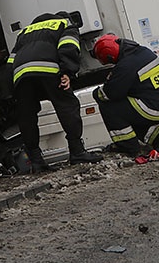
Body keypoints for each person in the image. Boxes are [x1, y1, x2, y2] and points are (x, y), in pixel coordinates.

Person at [8, 12, 103, 171]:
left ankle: (36, 161)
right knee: (67, 106)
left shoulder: (24, 32)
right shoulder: (65, 24)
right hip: (48, 68)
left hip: (20, 74)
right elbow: (69, 47)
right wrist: (67, 72)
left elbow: (11, 59)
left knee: (27, 115)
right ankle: (77, 152)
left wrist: (11, 86)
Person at [91, 34, 159, 157]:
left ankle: (128, 146)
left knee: (110, 107)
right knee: (128, 111)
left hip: (150, 108)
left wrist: (96, 93)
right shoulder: (144, 52)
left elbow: (110, 94)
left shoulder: (126, 65)